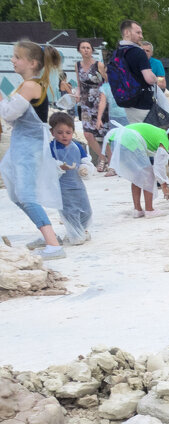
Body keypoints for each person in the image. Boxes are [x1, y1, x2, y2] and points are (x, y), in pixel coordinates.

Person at [0, 40, 65, 260]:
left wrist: (0, 97)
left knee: (25, 195)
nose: (13, 61)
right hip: (23, 145)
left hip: (28, 147)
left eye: (17, 57)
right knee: (18, 194)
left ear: (32, 63)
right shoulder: (30, 85)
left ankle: (53, 244)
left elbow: (9, 114)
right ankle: (47, 233)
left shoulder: (30, 86)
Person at [103, 121, 169, 217]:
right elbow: (159, 166)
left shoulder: (159, 133)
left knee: (137, 176)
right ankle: (149, 210)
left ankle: (137, 210)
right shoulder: (164, 139)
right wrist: (164, 186)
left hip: (117, 139)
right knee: (149, 175)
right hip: (129, 140)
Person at [48, 111, 93, 246]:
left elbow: (85, 161)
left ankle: (81, 230)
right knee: (69, 211)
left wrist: (85, 169)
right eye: (60, 132)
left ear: (73, 131)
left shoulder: (77, 146)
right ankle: (75, 234)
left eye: (68, 132)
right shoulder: (50, 148)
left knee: (86, 210)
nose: (64, 136)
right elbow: (47, 166)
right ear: (52, 132)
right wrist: (59, 167)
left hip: (78, 185)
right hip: (62, 187)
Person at [109, 20, 157, 124]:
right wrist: (155, 78)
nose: (141, 36)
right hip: (143, 103)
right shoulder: (138, 52)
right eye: (138, 32)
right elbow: (149, 79)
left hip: (126, 101)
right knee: (147, 136)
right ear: (127, 32)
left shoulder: (117, 53)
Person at [74, 40, 106, 163]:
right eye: (83, 47)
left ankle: (110, 159)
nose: (86, 50)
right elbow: (79, 83)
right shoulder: (77, 65)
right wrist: (77, 93)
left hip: (100, 101)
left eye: (88, 47)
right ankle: (102, 158)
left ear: (92, 50)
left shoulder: (98, 65)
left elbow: (107, 81)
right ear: (79, 50)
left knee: (103, 132)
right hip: (85, 102)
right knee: (88, 134)